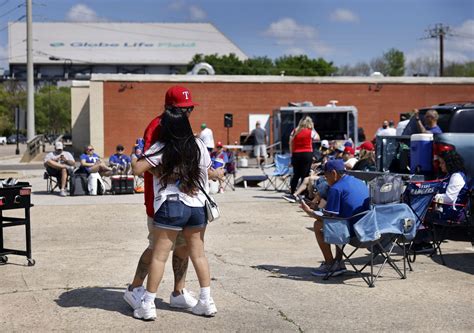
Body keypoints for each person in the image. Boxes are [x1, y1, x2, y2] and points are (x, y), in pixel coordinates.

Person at [124, 86, 214, 314]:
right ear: (169, 109)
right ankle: (136, 288)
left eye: (189, 108)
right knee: (162, 249)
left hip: (175, 203)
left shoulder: (172, 141)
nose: (187, 113)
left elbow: (138, 165)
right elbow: (203, 167)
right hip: (179, 203)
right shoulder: (159, 128)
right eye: (182, 110)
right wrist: (182, 175)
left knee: (173, 251)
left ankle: (173, 294)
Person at [300, 159, 370, 276]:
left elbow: (329, 219)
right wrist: (317, 209)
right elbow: (336, 213)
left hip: (355, 234)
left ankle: (329, 264)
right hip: (368, 228)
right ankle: (339, 262)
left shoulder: (336, 188)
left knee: (319, 225)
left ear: (333, 173)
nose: (326, 180)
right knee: (339, 220)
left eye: (326, 176)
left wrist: (310, 212)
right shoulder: (358, 181)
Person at [283, 116, 320, 202]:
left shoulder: (295, 131)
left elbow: (290, 142)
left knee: (296, 174)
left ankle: (292, 193)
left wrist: (292, 154)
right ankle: (303, 193)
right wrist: (313, 128)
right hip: (307, 153)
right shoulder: (310, 131)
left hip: (296, 154)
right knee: (305, 174)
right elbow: (317, 137)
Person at [434, 150, 469, 220]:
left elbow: (449, 198)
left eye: (442, 163)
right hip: (444, 209)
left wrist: (431, 197)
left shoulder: (457, 176)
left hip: (454, 212)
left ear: (449, 164)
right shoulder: (449, 175)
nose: (440, 165)